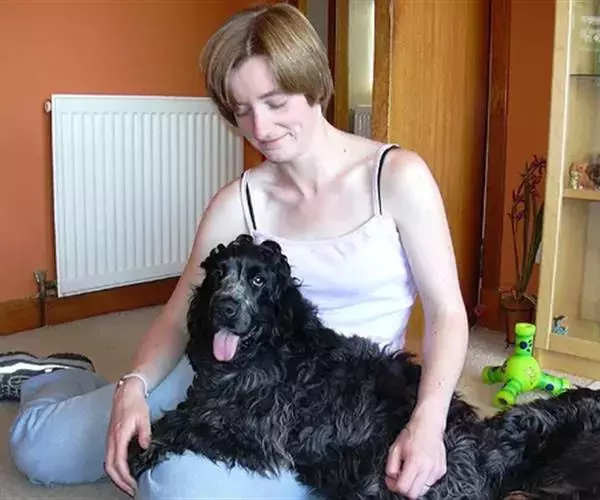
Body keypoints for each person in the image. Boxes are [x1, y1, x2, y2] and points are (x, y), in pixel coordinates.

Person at [1, 3, 469, 499]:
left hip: (333, 408)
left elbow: (447, 313)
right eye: (242, 110)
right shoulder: (237, 202)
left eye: (275, 101)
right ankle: (55, 377)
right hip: (228, 373)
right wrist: (133, 385)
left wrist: (428, 421)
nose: (260, 128)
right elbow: (178, 315)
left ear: (313, 85)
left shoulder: (397, 179)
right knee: (40, 450)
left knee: (172, 486)